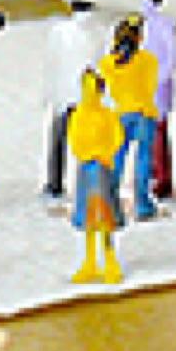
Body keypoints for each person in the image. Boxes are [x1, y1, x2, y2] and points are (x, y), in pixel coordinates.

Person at [42, 0, 110, 201]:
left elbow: (102, 66)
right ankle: (55, 182)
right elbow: (52, 63)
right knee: (60, 138)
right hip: (67, 93)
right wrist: (50, 92)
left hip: (86, 95)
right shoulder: (61, 32)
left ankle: (85, 183)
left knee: (86, 142)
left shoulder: (99, 33)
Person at [65, 68, 124, 286]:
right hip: (85, 168)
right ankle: (89, 261)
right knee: (88, 217)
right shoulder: (78, 114)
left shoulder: (108, 115)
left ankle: (110, 261)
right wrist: (85, 153)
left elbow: (117, 137)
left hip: (102, 168)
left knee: (105, 217)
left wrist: (103, 153)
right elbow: (73, 139)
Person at [100, 13, 162, 224]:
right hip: (145, 113)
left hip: (121, 113)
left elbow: (108, 90)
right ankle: (142, 203)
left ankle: (110, 198)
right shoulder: (148, 61)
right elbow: (151, 86)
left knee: (118, 157)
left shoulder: (108, 64)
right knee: (143, 159)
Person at [139, 0, 176, 203]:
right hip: (143, 88)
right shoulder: (142, 26)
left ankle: (163, 181)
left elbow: (172, 58)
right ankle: (150, 175)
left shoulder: (164, 27)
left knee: (159, 133)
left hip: (158, 88)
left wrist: (158, 77)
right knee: (147, 133)